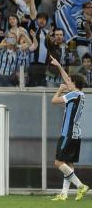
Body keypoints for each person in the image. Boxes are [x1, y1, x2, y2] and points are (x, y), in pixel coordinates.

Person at [50, 55, 89, 201]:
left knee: (58, 162)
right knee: (69, 164)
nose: (67, 83)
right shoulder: (80, 94)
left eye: (70, 82)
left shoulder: (73, 94)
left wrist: (60, 90)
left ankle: (80, 186)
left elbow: (54, 101)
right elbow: (67, 78)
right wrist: (59, 66)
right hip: (76, 134)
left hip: (68, 133)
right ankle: (64, 194)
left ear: (74, 84)